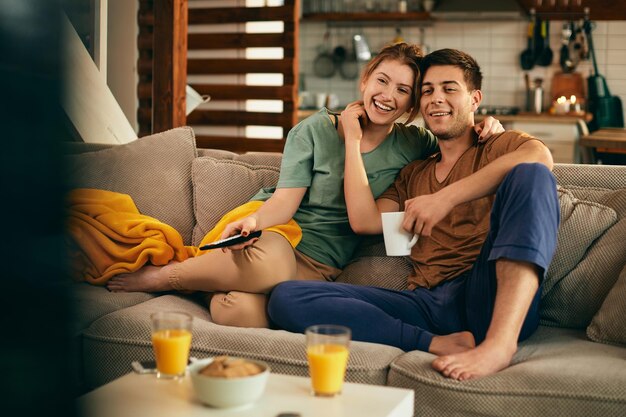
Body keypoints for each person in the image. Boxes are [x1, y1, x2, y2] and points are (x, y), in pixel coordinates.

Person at [106, 43, 504, 329]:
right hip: (280, 237)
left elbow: (456, 139)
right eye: (382, 81)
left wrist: (487, 125)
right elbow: (284, 202)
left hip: (324, 264)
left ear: (411, 105)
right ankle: (169, 277)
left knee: (235, 313)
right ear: (366, 80)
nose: (388, 96)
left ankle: (211, 284)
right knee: (271, 262)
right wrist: (254, 222)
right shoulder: (315, 129)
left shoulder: (414, 143)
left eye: (403, 90)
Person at [266, 48, 560, 381]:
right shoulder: (414, 173)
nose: (436, 99)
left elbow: (540, 156)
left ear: (475, 98)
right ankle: (437, 343)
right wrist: (352, 140)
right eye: (427, 91)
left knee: (532, 174)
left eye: (449, 89)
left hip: (486, 293)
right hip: (429, 304)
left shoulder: (493, 147)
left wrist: (444, 199)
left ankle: (499, 344)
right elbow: (364, 221)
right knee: (286, 298)